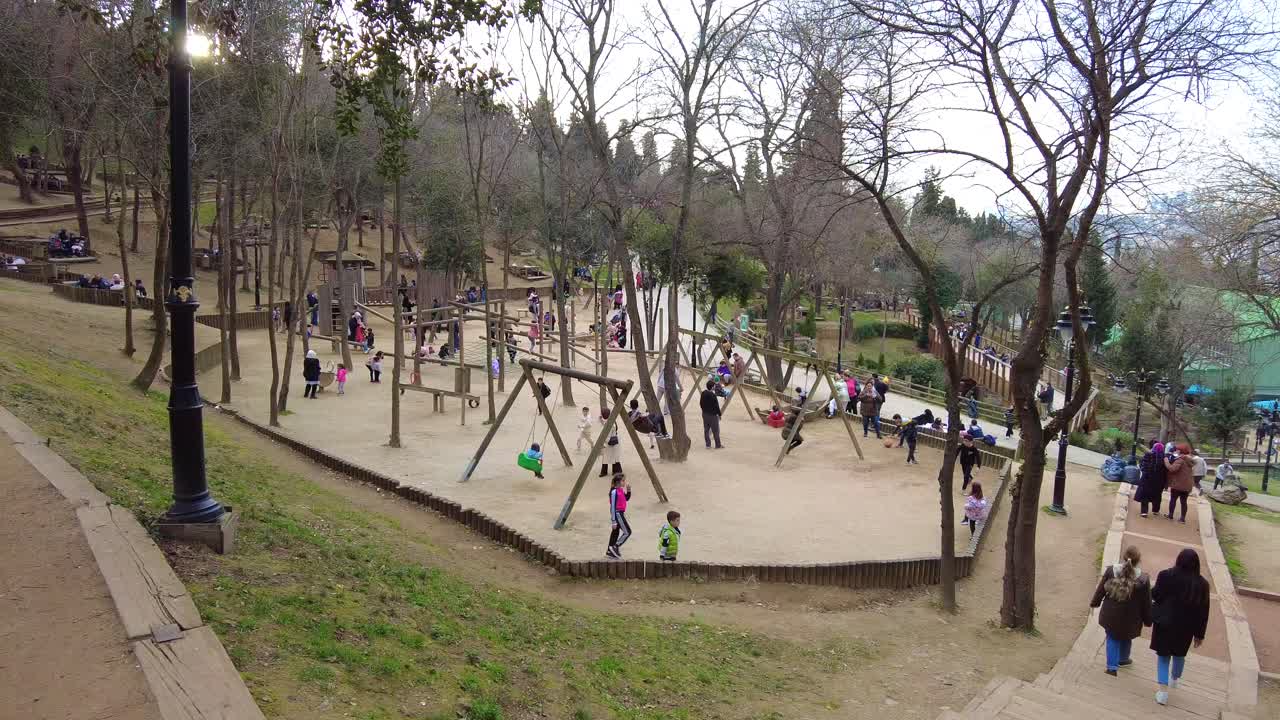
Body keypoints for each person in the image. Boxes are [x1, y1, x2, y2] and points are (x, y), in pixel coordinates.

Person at [1150, 548, 1211, 706]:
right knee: (1179, 655)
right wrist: (1199, 634)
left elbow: (1155, 594)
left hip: (1165, 623)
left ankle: (1163, 692)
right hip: (1186, 628)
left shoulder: (1166, 575)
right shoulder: (1203, 585)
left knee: (1163, 656)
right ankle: (1175, 678)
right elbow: (1203, 612)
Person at [1089, 545, 1152, 676]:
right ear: (1138, 560)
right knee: (1126, 637)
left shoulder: (1112, 571)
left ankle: (1112, 667)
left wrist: (1094, 603)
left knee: (1112, 637)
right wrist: (1147, 620)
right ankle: (1123, 659)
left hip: (1111, 613)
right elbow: (1146, 602)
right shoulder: (1143, 579)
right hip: (1132, 617)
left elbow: (1101, 589)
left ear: (1124, 557)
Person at [1164, 444, 1194, 523]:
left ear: (1180, 451)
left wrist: (1166, 460)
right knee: (1184, 502)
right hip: (1187, 485)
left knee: (1173, 500)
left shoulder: (1180, 460)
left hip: (1178, 484)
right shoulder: (1189, 460)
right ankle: (1182, 518)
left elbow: (1172, 469)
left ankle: (1170, 515)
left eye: (1177, 449)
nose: (1175, 451)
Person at [1137, 441, 1168, 518]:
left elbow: (1143, 465)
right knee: (1157, 495)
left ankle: (1144, 512)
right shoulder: (1164, 458)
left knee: (1145, 494)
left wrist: (1144, 471)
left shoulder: (1148, 455)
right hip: (1159, 480)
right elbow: (1166, 470)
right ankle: (1155, 510)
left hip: (1147, 478)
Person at [606, 474, 632, 559]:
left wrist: (628, 491)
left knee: (615, 533)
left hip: (620, 513)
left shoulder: (620, 490)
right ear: (618, 482)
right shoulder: (614, 492)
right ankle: (615, 547)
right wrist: (613, 521)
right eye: (623, 480)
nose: (624, 482)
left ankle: (610, 551)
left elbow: (626, 499)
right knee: (627, 532)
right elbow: (612, 506)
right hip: (618, 514)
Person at [700, 380, 724, 449]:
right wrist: (719, 414)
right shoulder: (713, 395)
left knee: (706, 429)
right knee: (715, 430)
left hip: (705, 413)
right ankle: (718, 445)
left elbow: (701, 403)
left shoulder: (703, 393)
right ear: (712, 387)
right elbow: (716, 406)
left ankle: (708, 445)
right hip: (712, 415)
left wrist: (704, 410)